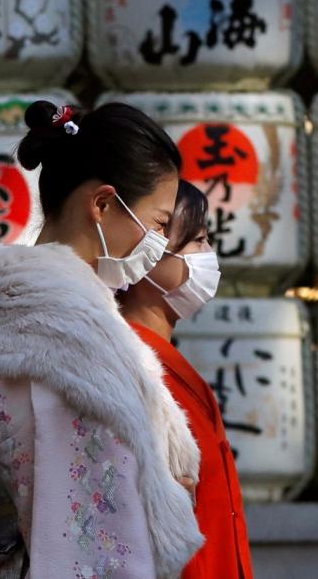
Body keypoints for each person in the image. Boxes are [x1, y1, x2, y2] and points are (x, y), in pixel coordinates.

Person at [0, 99, 204, 579]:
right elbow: (87, 548)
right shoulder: (63, 342)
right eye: (157, 224)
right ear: (103, 204)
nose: (158, 244)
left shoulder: (27, 320)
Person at [119, 180, 255, 579]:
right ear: (144, 255)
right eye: (194, 241)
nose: (208, 256)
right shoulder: (133, 368)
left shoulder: (167, 361)